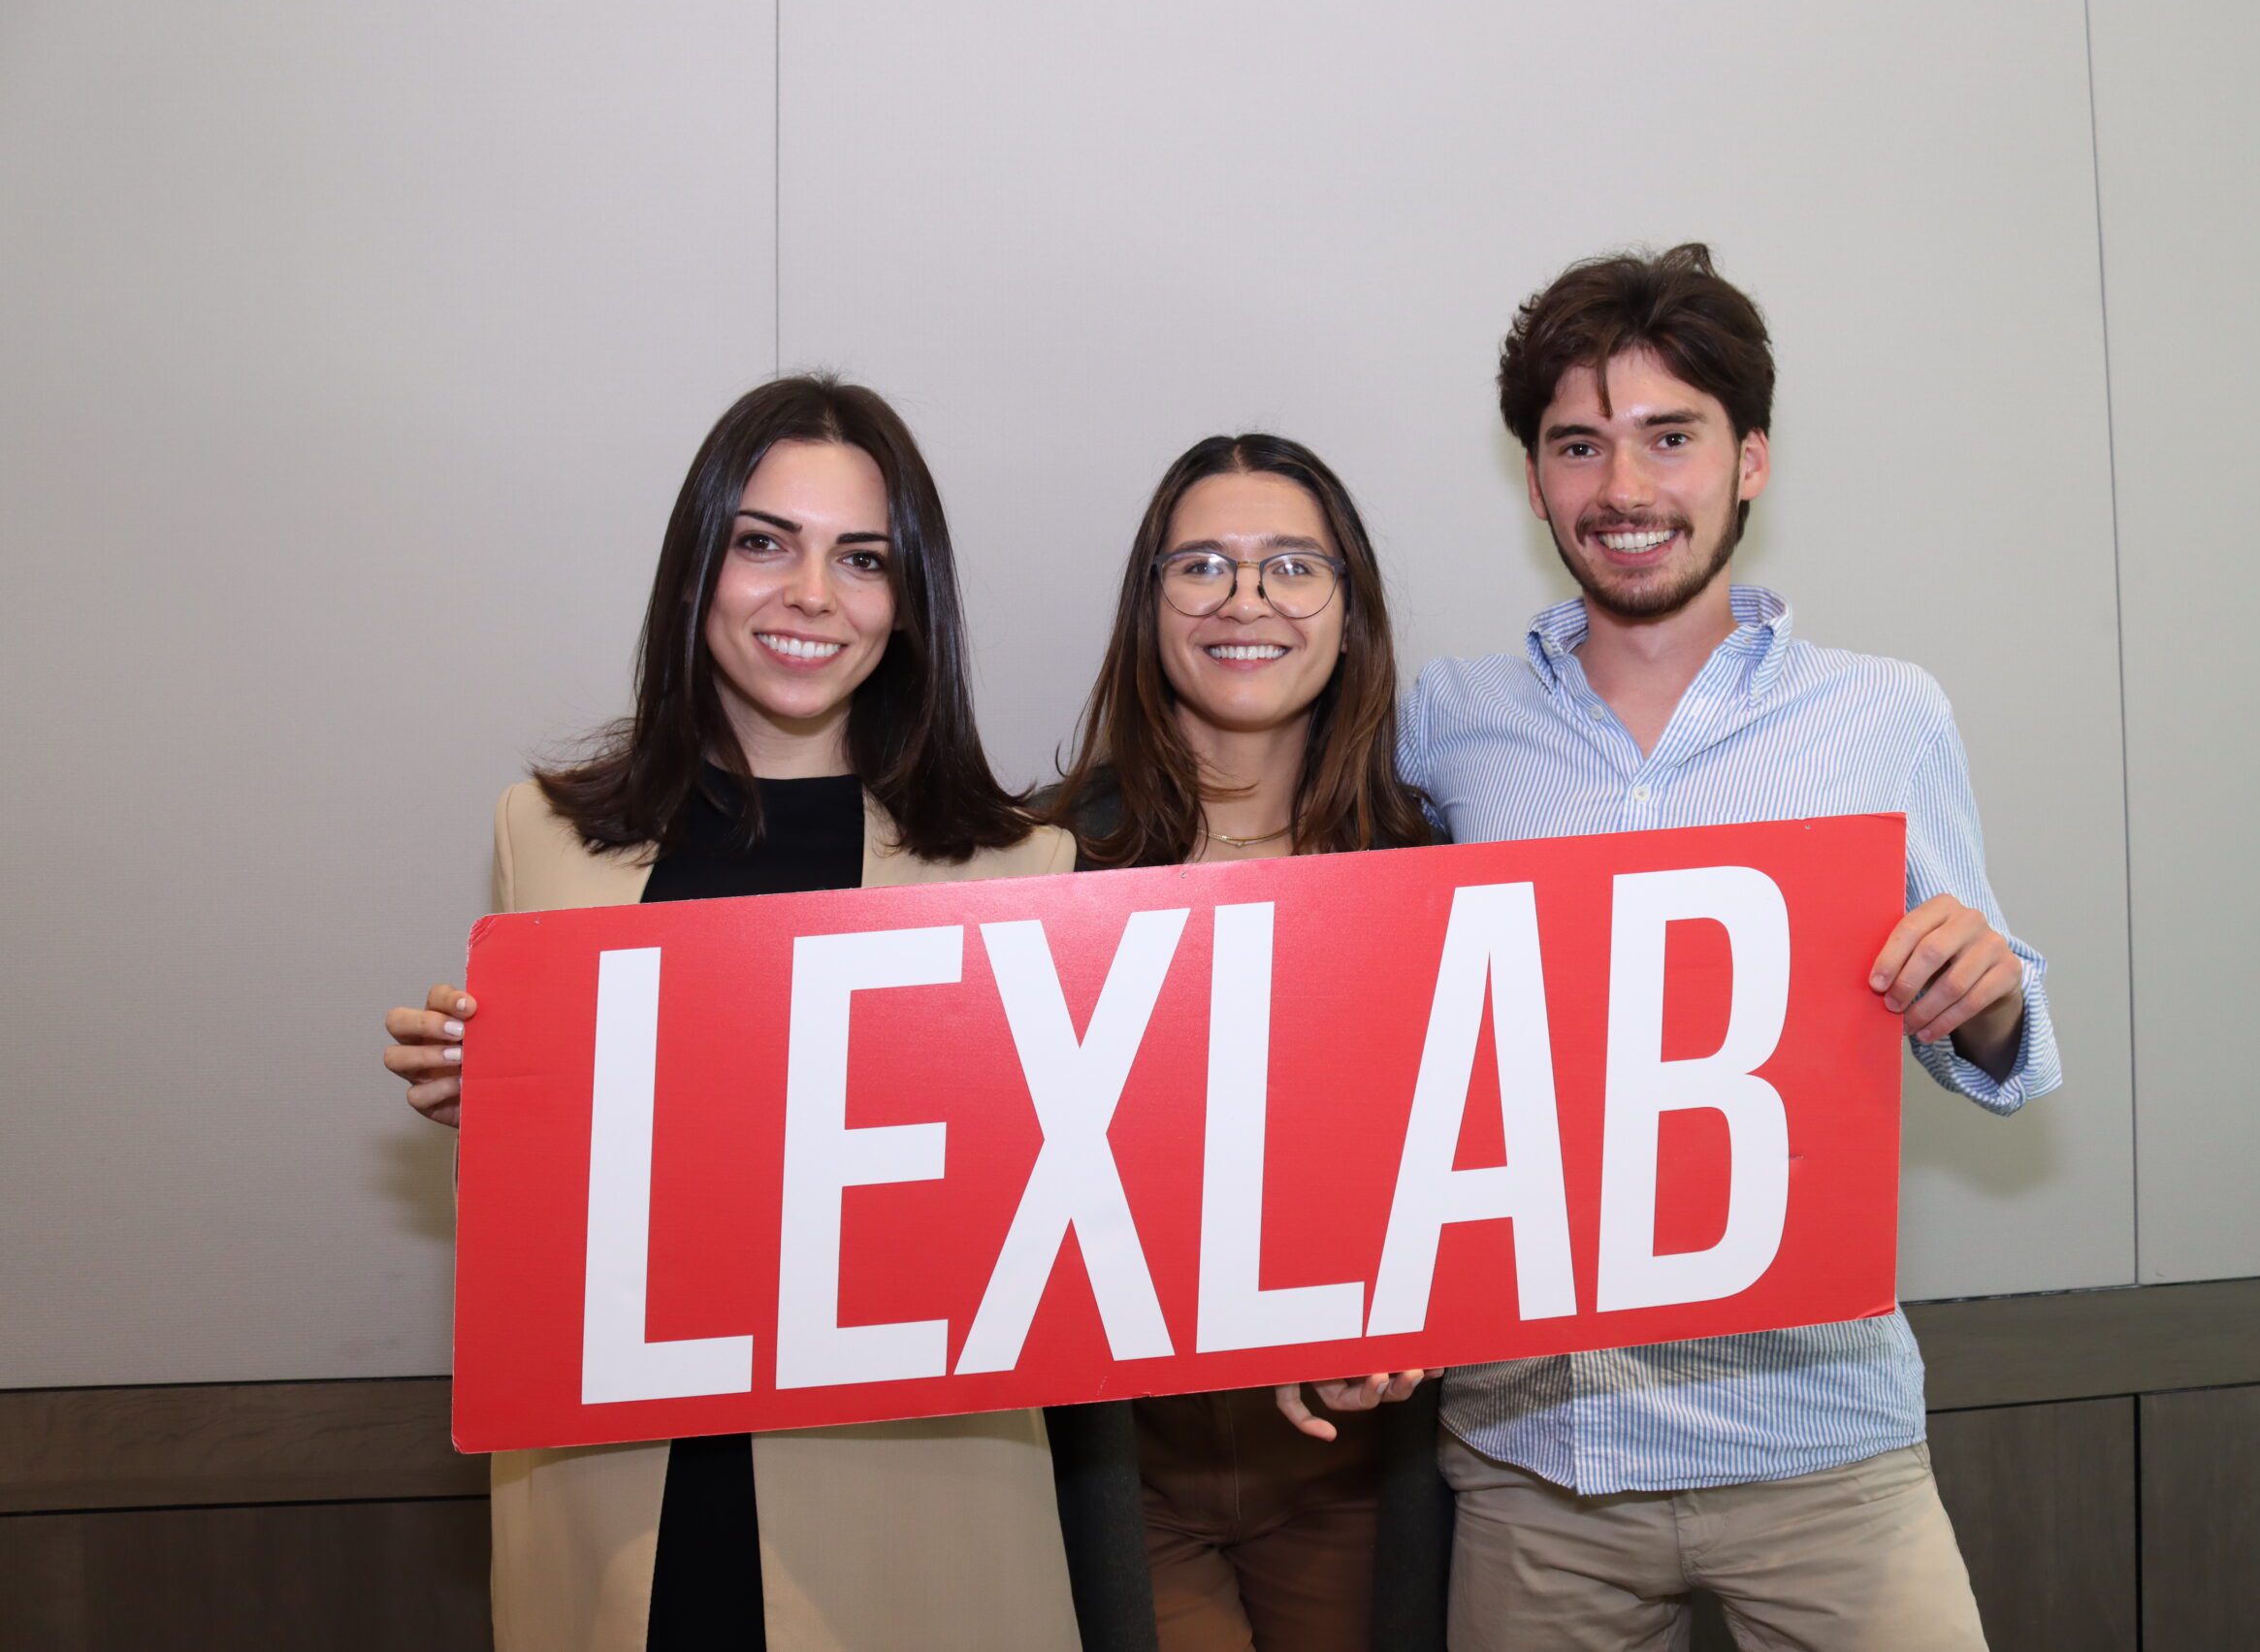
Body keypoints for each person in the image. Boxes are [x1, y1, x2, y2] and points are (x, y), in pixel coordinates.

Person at [1396, 245, 2063, 1652]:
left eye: (1671, 436)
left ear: (1750, 460)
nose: (1624, 489)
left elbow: (2003, 1043)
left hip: (1825, 1446)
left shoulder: (1884, 713)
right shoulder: (1443, 723)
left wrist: (1987, 991)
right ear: (1534, 480)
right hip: (1540, 1460)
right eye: (1580, 444)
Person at [379, 373, 1082, 1652]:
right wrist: (490, 1090)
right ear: (697, 567)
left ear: (908, 601)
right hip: (622, 1485)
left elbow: (1046, 1211)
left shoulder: (1020, 867)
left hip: (906, 1490)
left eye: (860, 556)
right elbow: (575, 1183)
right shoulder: (544, 833)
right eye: (765, 541)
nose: (811, 594)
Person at [1043, 434, 1454, 1652]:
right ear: (1149, 603)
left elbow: (1474, 1181)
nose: (1246, 602)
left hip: (1350, 1474)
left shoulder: (1434, 877)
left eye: (1290, 566)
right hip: (1126, 1473)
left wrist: (1410, 1325)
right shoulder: (1038, 868)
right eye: (1202, 566)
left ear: (1347, 610)